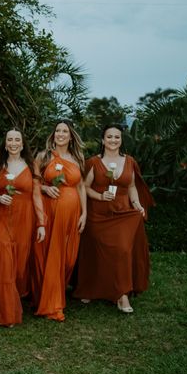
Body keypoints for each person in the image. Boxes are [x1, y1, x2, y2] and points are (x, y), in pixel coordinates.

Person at [74, 125, 154, 312]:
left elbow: (132, 187)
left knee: (122, 250)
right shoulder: (93, 162)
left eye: (116, 137)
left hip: (123, 214)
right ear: (103, 140)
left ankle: (122, 295)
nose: (113, 140)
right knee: (95, 252)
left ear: (121, 140)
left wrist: (137, 204)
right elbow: (84, 187)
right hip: (98, 214)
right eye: (109, 137)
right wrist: (101, 196)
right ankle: (91, 289)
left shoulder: (129, 161)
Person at [0, 129, 45, 326]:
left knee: (18, 267)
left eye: (17, 139)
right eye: (9, 139)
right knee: (3, 261)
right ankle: (4, 313)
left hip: (24, 219)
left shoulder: (31, 164)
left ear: (22, 143)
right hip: (0, 218)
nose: (13, 143)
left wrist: (41, 223)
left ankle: (11, 301)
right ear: (5, 143)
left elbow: (36, 195)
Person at [32, 119, 87, 321]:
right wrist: (46, 188)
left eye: (65, 131)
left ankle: (56, 292)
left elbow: (81, 187)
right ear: (53, 135)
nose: (61, 134)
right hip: (50, 211)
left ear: (71, 135)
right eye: (58, 131)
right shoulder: (43, 156)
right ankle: (52, 304)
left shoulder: (77, 157)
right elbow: (33, 182)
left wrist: (85, 214)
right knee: (50, 254)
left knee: (68, 258)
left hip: (72, 213)